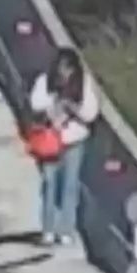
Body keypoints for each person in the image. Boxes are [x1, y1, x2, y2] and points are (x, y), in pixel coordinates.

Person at [29, 46, 100, 246]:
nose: (64, 73)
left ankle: (66, 229)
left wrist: (71, 107)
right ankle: (48, 228)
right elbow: (35, 103)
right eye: (61, 68)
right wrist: (54, 106)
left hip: (73, 141)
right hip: (51, 141)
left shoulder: (84, 84)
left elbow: (90, 113)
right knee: (50, 184)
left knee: (70, 185)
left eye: (68, 69)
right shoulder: (45, 81)